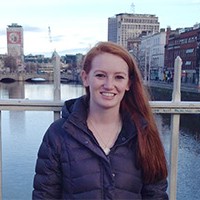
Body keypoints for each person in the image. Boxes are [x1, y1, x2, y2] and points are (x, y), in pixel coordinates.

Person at [32, 41, 168, 199]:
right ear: (85, 78)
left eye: (118, 77)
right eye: (100, 75)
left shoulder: (144, 133)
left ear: (128, 83)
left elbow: (156, 195)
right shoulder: (58, 135)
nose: (109, 85)